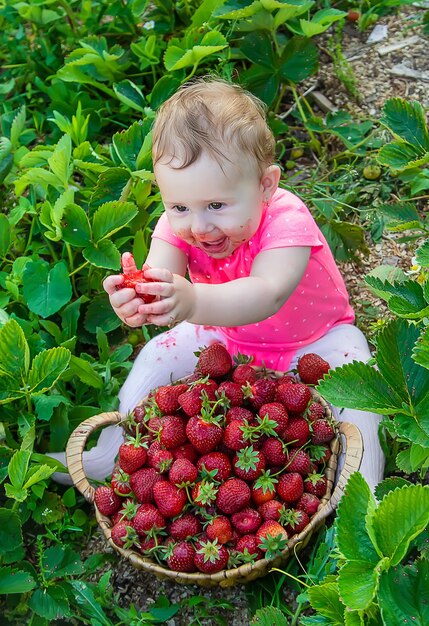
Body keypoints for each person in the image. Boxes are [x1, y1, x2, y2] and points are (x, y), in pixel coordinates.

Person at [50, 77, 384, 493]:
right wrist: (141, 302)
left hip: (316, 340)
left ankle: (359, 495)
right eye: (180, 206)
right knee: (155, 357)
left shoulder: (287, 220)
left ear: (266, 185)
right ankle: (112, 453)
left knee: (361, 390)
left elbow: (267, 292)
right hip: (225, 337)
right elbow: (162, 280)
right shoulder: (180, 226)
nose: (200, 225)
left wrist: (189, 301)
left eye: (216, 205)